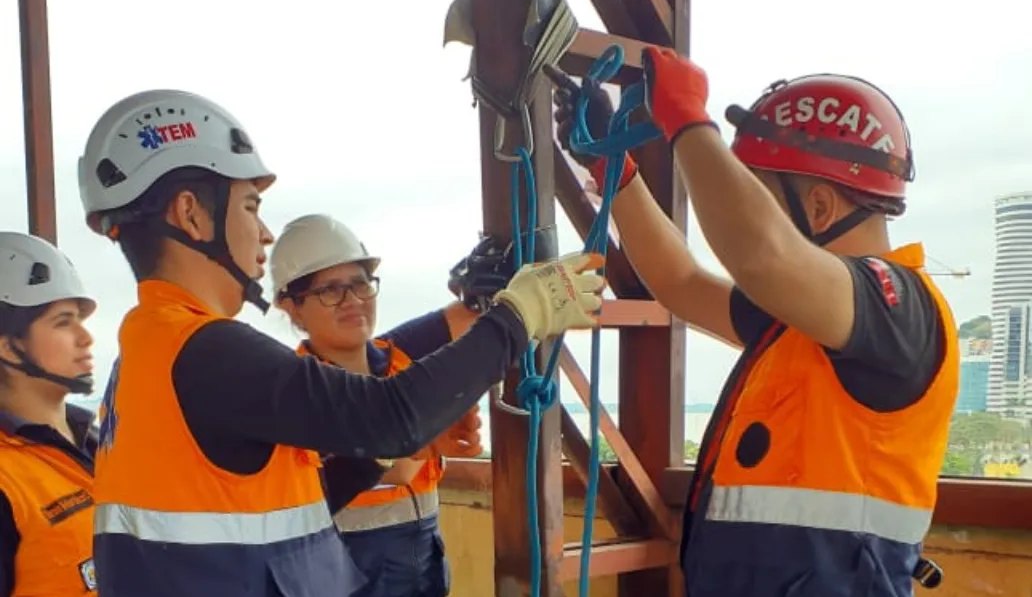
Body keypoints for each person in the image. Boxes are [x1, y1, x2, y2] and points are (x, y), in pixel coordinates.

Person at [76, 89, 605, 597]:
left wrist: (378, 459)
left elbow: (296, 502)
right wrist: (522, 314)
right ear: (191, 213)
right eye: (250, 206)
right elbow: (391, 415)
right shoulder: (205, 350)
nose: (263, 233)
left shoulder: (153, 351)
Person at [546, 51, 958, 596]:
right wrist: (615, 173)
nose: (745, 215)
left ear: (818, 208)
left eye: (757, 195)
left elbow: (761, 256)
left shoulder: (898, 312)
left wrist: (688, 120)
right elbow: (681, 284)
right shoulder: (806, 321)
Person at [270, 213, 519, 597]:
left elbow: (474, 317)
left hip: (424, 571)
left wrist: (486, 286)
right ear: (291, 306)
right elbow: (396, 465)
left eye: (359, 284)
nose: (352, 301)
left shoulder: (400, 354)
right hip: (348, 579)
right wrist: (433, 432)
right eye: (330, 291)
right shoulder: (297, 390)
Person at [0, 232, 99, 596]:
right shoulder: (7, 479)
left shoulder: (104, 443)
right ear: (10, 347)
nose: (85, 337)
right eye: (63, 322)